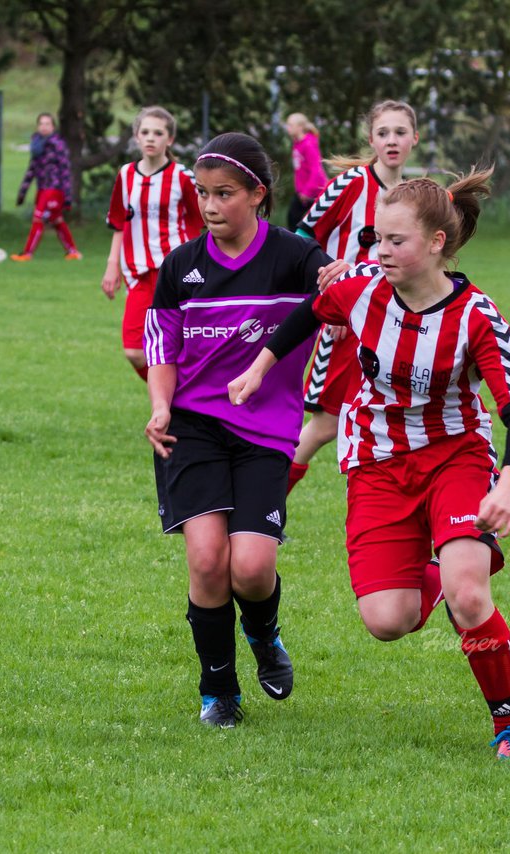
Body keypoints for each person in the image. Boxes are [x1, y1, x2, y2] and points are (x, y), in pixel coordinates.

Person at [229, 167, 510, 759]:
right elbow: (307, 314)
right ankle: (445, 583)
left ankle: (509, 725)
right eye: (375, 238)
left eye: (395, 240)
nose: (379, 250)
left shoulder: (478, 318)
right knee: (386, 620)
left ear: (437, 243)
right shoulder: (363, 288)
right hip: (376, 463)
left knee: (472, 595)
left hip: (457, 458)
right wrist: (260, 367)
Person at [145, 132, 331, 728]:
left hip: (265, 430)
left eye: (225, 193)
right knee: (206, 560)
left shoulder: (293, 257)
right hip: (192, 427)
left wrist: (341, 272)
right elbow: (161, 345)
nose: (211, 205)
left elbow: (337, 290)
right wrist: (159, 404)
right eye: (203, 193)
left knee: (250, 568)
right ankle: (218, 689)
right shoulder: (181, 266)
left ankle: (264, 633)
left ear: (257, 194)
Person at [289, 100, 418, 495]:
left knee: (403, 422)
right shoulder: (351, 185)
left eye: (399, 132)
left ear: (415, 138)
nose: (391, 140)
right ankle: (264, 510)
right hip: (347, 326)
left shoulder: (416, 196)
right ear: (371, 140)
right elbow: (303, 237)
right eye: (383, 133)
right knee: (326, 426)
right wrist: (334, 296)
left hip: (397, 325)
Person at [101, 106, 204, 381]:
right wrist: (112, 265)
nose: (151, 138)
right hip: (139, 274)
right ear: (136, 136)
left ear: (169, 139)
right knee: (135, 351)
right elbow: (119, 222)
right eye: (145, 132)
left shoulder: (182, 176)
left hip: (176, 272)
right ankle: (177, 396)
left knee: (179, 347)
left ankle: (181, 404)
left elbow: (199, 224)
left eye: (158, 133)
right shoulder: (125, 175)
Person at [11, 113, 80, 262]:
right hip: (42, 189)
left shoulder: (58, 144)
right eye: (41, 124)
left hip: (54, 189)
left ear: (53, 127)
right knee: (57, 220)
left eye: (47, 124)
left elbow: (65, 170)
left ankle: (27, 254)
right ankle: (73, 252)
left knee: (38, 219)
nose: (44, 127)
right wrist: (23, 191)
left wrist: (67, 196)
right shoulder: (37, 145)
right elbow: (32, 169)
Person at [284, 112, 325, 231]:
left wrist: (307, 192)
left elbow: (316, 170)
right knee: (293, 219)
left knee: (294, 219)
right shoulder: (297, 144)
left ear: (300, 127)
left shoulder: (308, 144)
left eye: (290, 125)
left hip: (313, 191)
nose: (288, 128)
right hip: (302, 191)